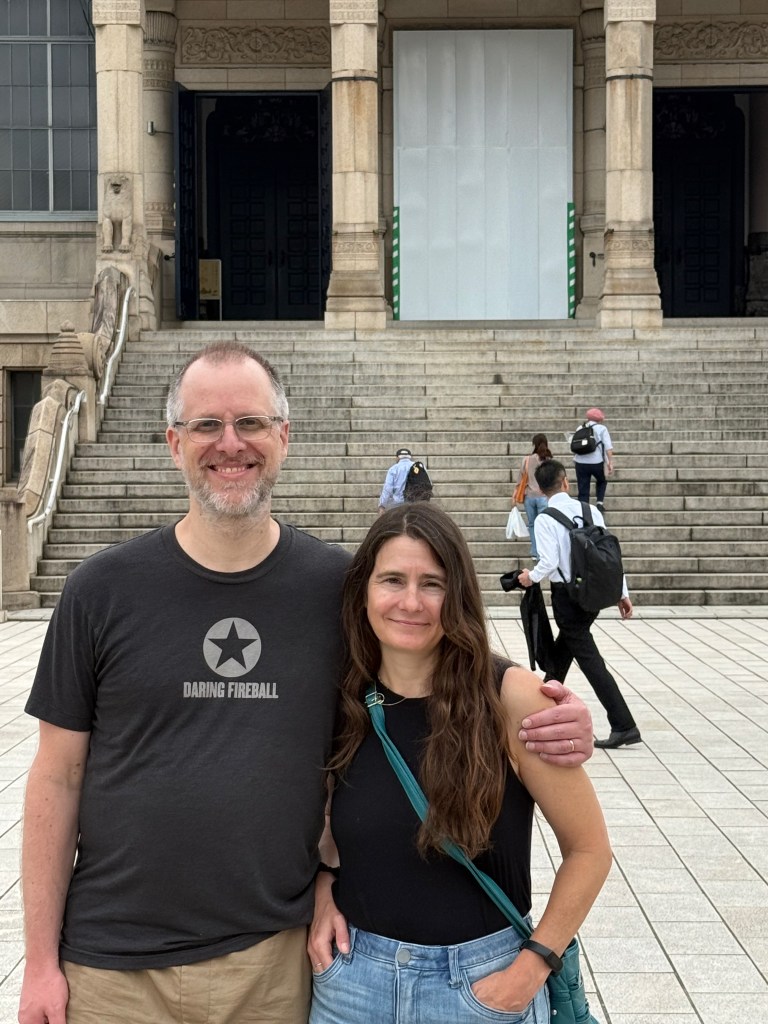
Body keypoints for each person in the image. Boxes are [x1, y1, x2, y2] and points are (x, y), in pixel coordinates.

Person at [19, 342, 595, 1024]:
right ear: (173, 442)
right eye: (207, 425)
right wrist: (38, 961)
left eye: (251, 423)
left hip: (274, 963)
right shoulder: (99, 592)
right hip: (111, 967)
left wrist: (544, 707)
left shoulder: (337, 590)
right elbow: (56, 777)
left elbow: (428, 666)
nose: (229, 444)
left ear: (284, 437)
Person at [308, 503, 612, 1024]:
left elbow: (589, 849)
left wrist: (534, 966)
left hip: (481, 988)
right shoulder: (342, 698)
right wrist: (320, 890)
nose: (410, 602)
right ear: (363, 591)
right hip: (353, 984)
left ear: (458, 595)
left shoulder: (512, 697)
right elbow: (334, 834)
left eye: (432, 583)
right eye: (392, 580)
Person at [519, 459, 642, 750]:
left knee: (589, 658)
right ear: (565, 482)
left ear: (540, 488)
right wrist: (621, 593)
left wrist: (529, 577)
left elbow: (548, 563)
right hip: (595, 594)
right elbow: (610, 555)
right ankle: (541, 705)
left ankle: (624, 724)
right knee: (566, 649)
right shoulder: (592, 511)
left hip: (567, 596)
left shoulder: (546, 518)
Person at [514, 433, 552, 561]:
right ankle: (544, 551)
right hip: (543, 496)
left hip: (529, 497)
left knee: (532, 524)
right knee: (544, 525)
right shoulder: (548, 460)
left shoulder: (526, 460)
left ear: (534, 444)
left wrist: (515, 494)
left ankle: (535, 552)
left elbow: (520, 479)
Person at [572, 407, 614, 513]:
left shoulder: (580, 428)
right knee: (602, 480)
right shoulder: (602, 429)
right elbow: (608, 447)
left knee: (583, 486)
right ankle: (599, 503)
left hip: (580, 462)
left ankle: (583, 509)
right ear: (600, 418)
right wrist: (610, 462)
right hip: (596, 462)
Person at [378, 447, 415, 513]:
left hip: (398, 504)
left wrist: (382, 505)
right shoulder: (419, 467)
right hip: (416, 503)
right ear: (410, 457)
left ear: (398, 457)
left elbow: (388, 488)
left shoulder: (393, 469)